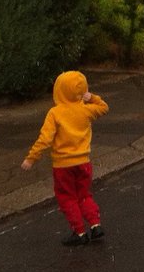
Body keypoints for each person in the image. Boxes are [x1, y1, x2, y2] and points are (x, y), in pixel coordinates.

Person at [21, 70, 109, 246]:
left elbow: (45, 139)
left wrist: (31, 158)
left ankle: (79, 232)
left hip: (63, 166)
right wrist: (91, 97)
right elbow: (104, 108)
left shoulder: (55, 113)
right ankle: (95, 224)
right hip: (84, 163)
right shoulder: (86, 110)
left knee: (67, 198)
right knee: (84, 195)